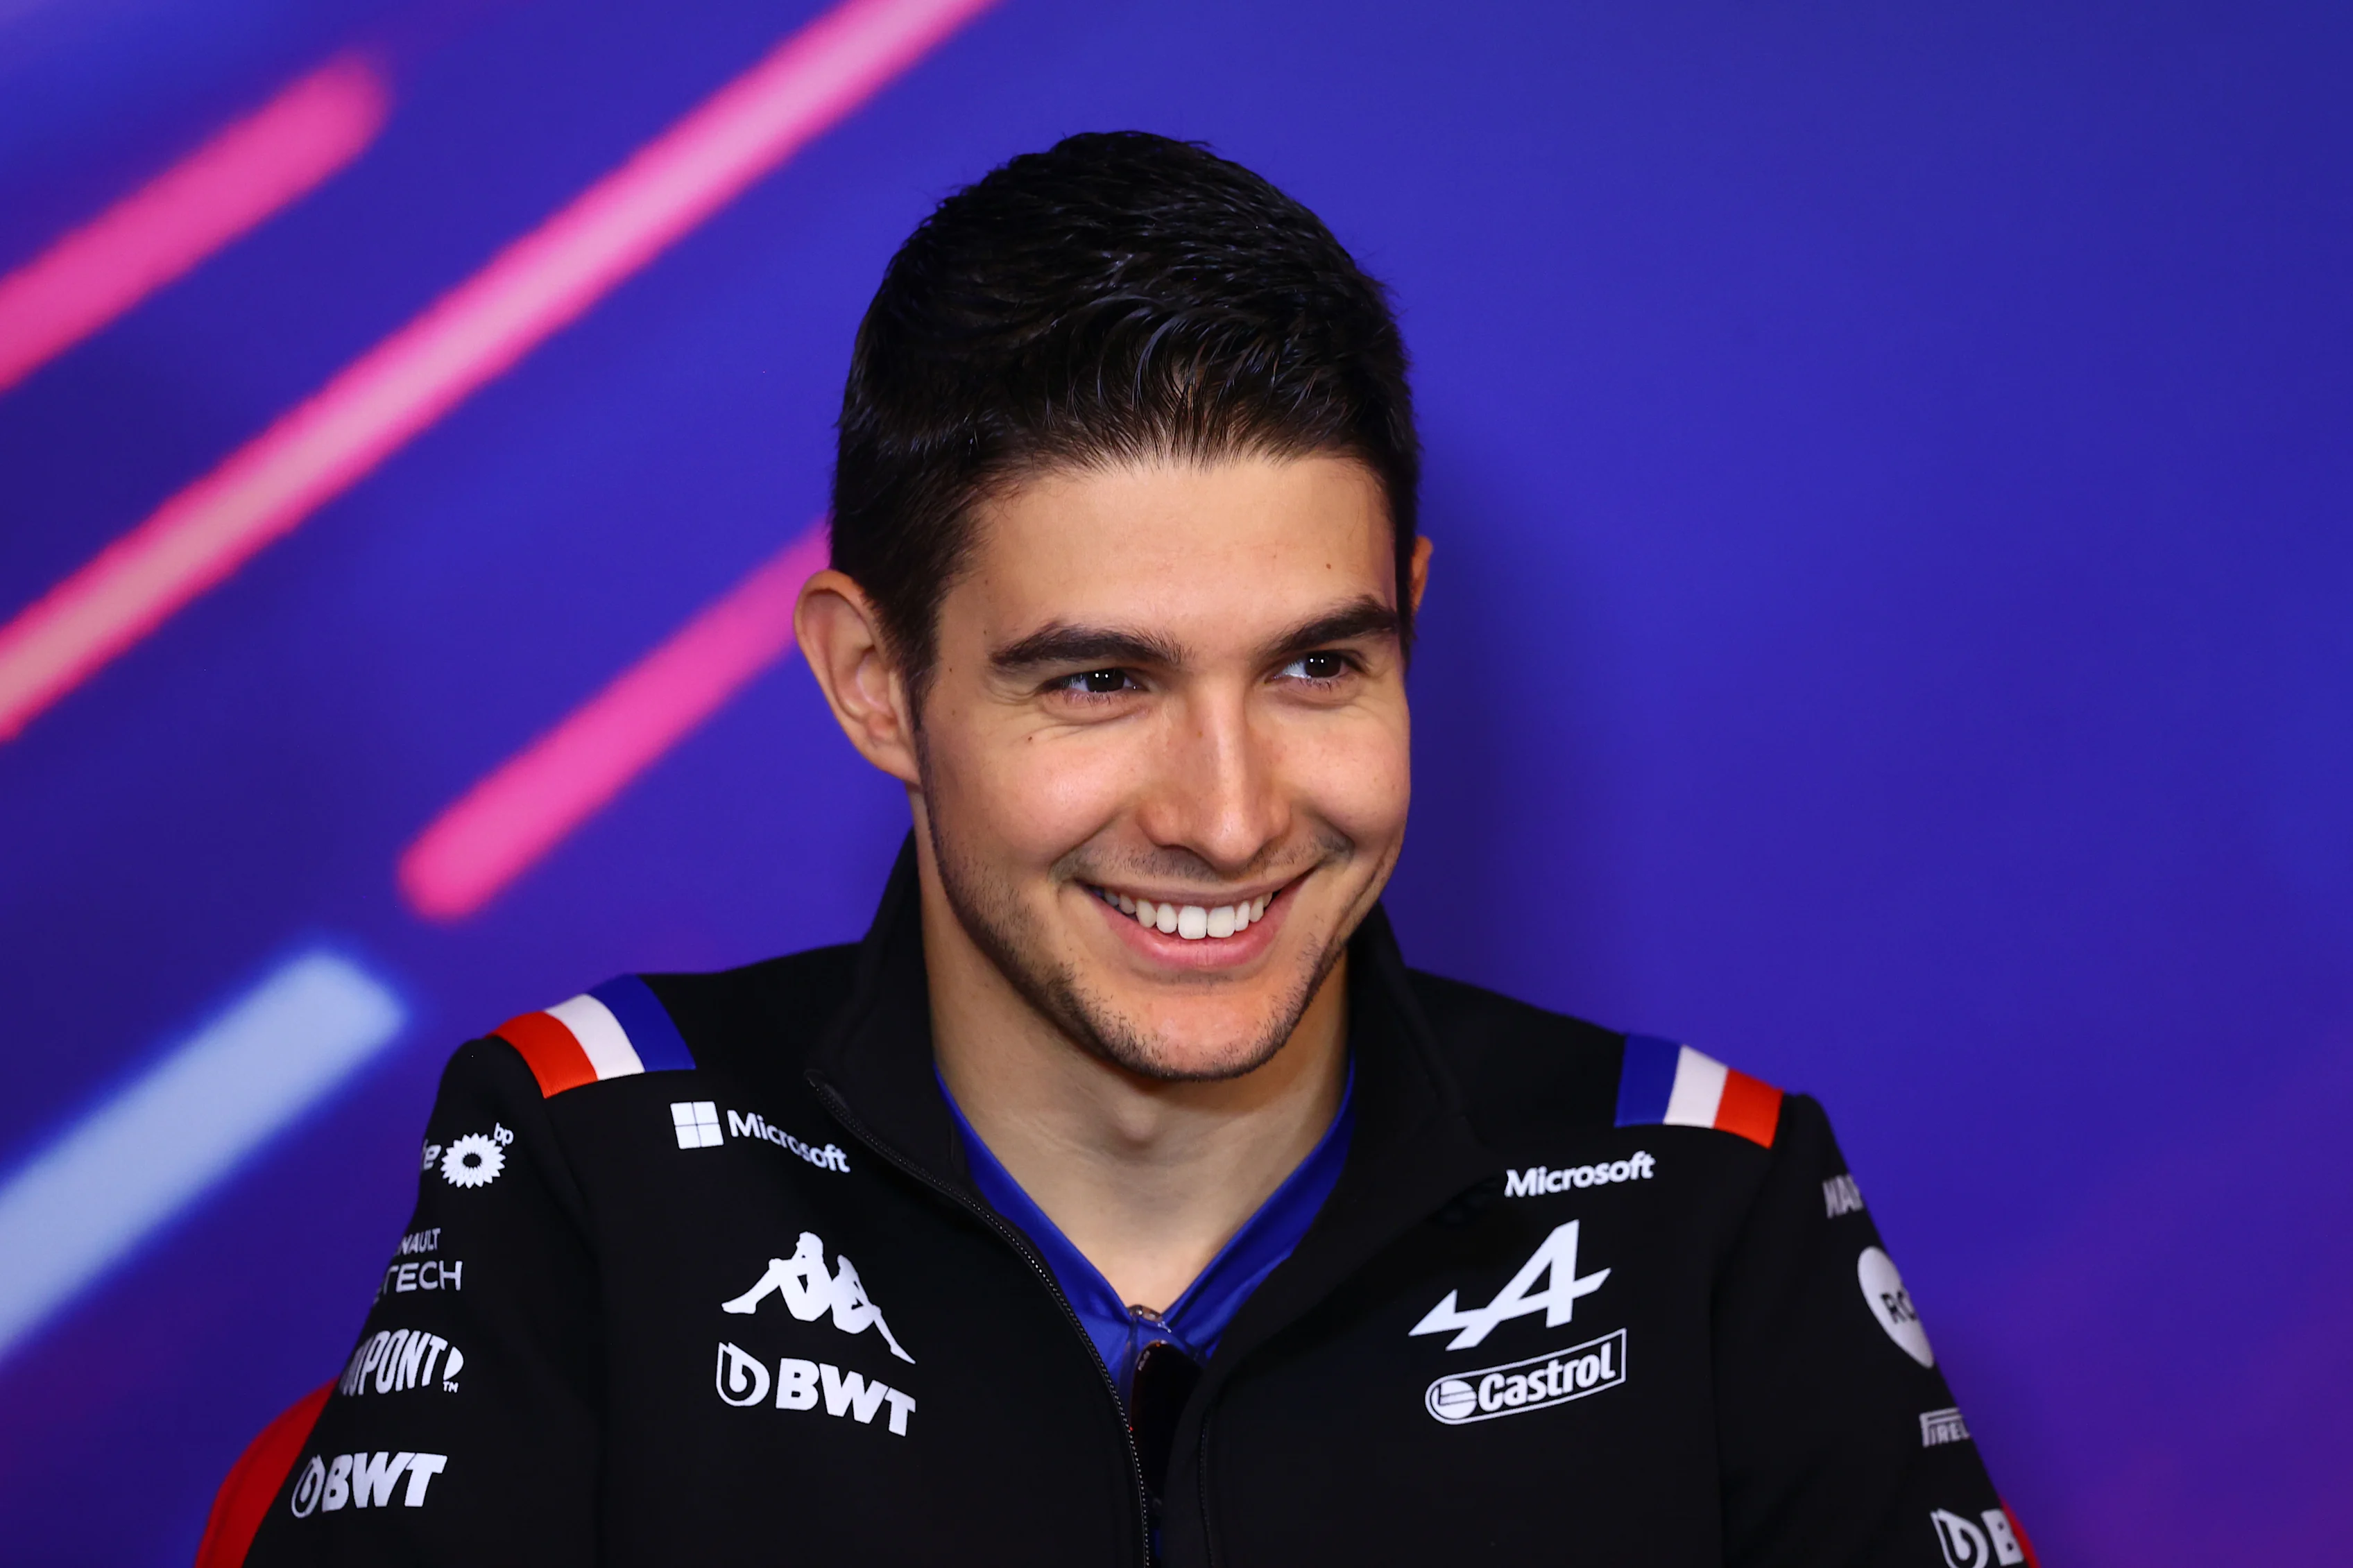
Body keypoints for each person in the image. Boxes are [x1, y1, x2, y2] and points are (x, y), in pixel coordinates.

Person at [234, 132, 2027, 1567]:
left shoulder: (1709, 1192)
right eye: (1098, 680)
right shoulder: (595, 1153)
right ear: (876, 683)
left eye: (1320, 664)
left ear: (1412, 618)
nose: (1230, 813)